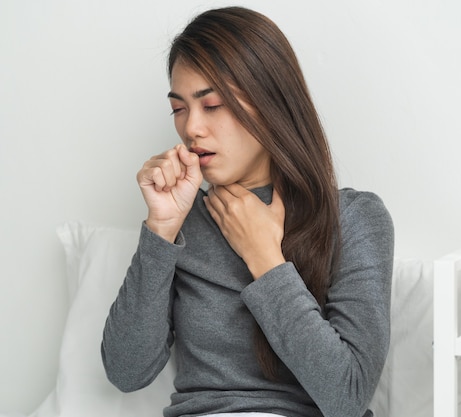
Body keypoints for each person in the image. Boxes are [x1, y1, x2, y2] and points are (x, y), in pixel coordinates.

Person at [101, 6, 394, 417]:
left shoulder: (354, 217)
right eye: (179, 108)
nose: (191, 129)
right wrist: (161, 229)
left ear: (270, 102)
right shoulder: (184, 222)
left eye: (213, 104)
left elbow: (347, 397)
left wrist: (265, 258)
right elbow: (125, 371)